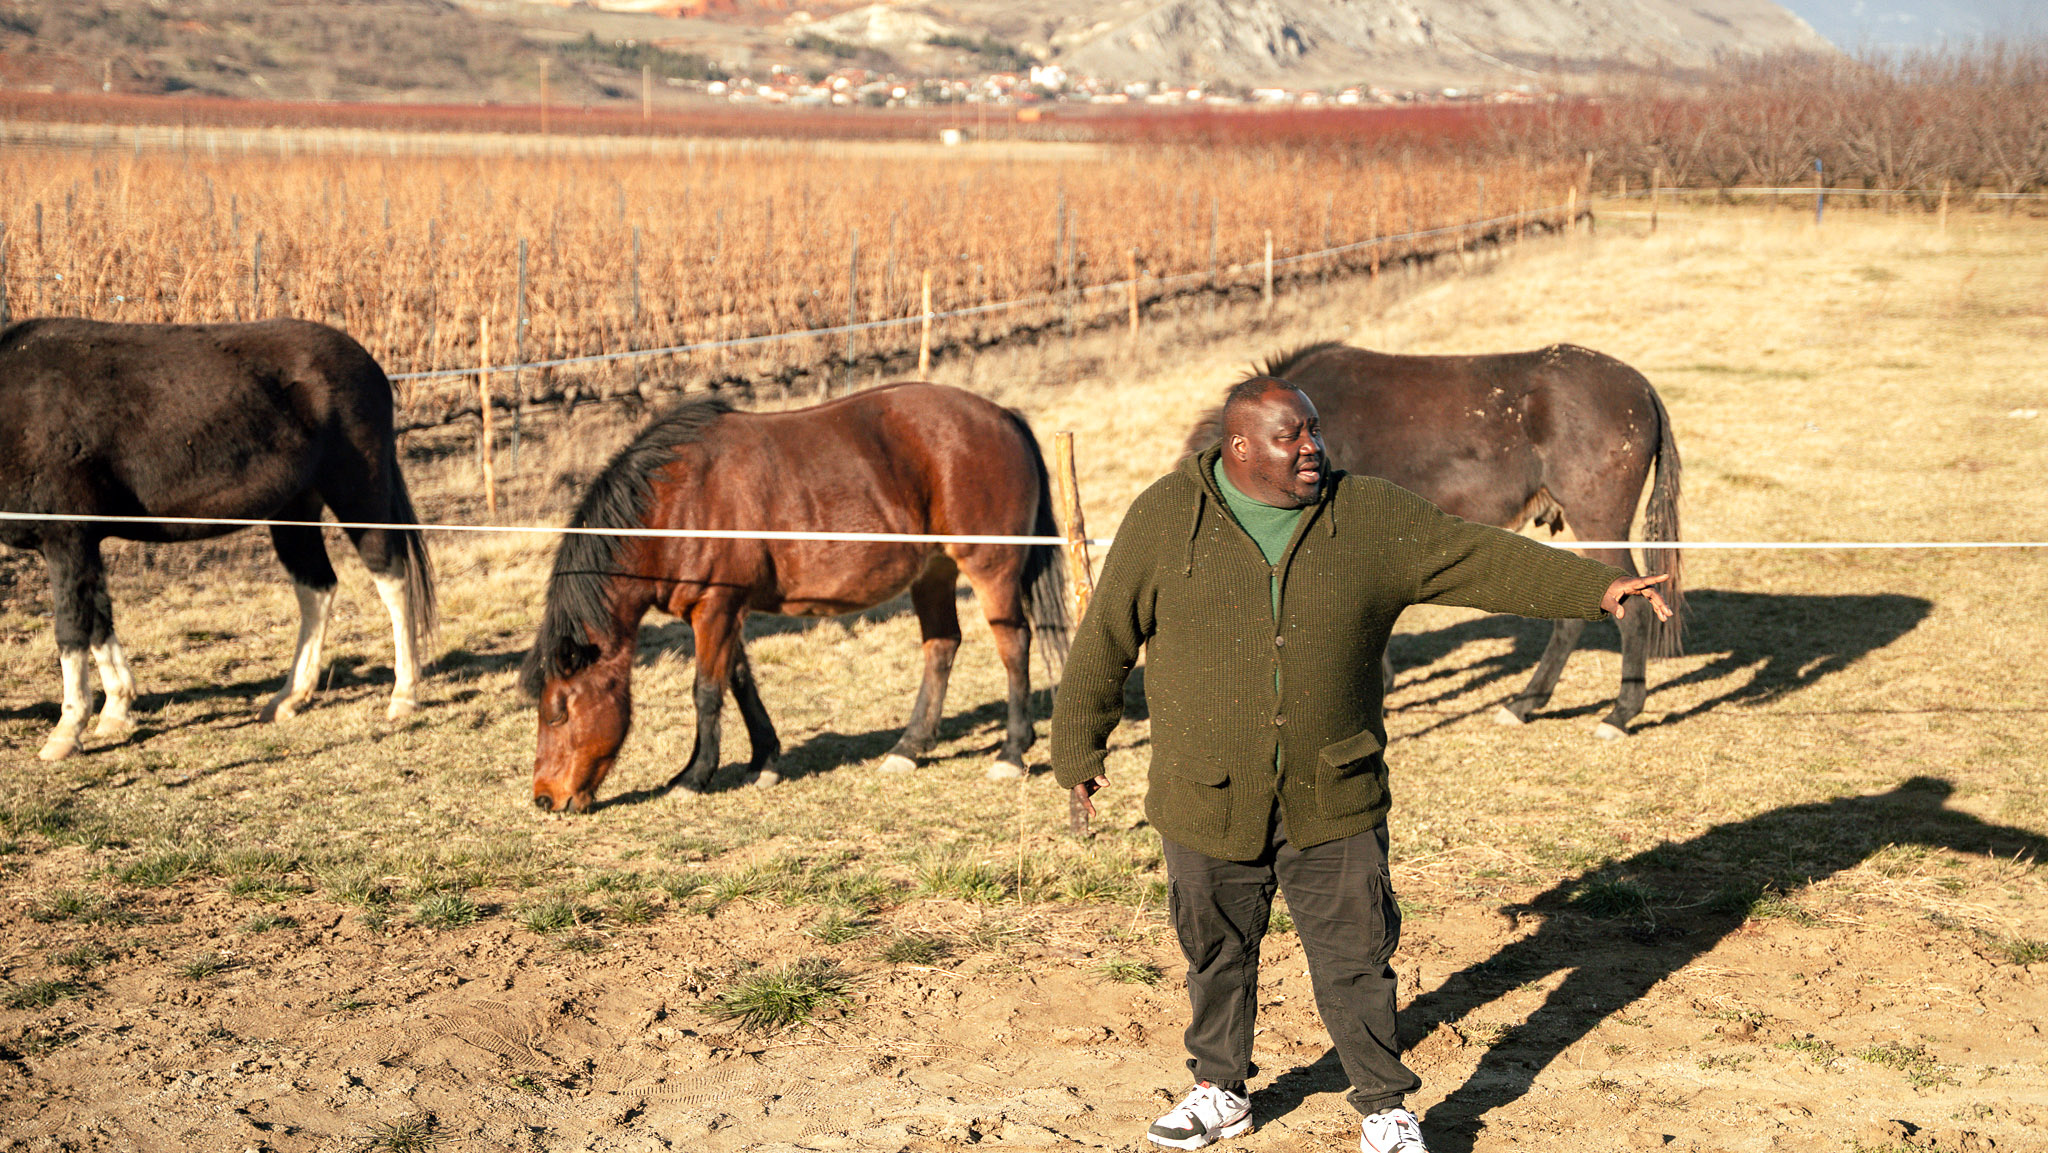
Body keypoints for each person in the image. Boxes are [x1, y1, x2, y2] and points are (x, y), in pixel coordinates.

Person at [1050, 377, 1670, 1152]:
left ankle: (1383, 1102)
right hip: (1204, 790)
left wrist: (1595, 585)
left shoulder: (1366, 514)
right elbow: (1106, 636)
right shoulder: (1166, 516)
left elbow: (1473, 556)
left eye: (1313, 430)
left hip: (1333, 790)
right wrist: (1077, 743)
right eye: (1293, 436)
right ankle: (1221, 1090)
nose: (1314, 447)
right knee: (1216, 951)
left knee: (1355, 956)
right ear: (1239, 446)